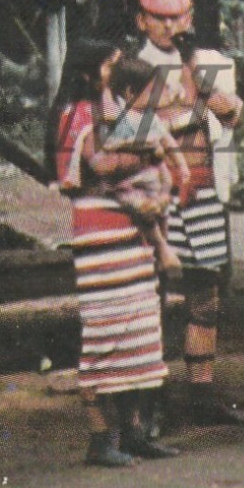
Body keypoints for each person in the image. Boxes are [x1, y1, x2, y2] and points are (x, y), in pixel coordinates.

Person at [48, 38, 180, 466]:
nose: (118, 72)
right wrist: (150, 158)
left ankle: (133, 431)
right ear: (90, 72)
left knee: (138, 334)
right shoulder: (79, 114)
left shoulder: (112, 113)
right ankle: (102, 437)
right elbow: (101, 166)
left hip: (130, 233)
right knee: (105, 337)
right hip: (100, 234)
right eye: (111, 65)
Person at [130, 0, 244, 426]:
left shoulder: (210, 62)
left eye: (177, 17)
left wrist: (209, 94)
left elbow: (235, 115)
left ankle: (201, 393)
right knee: (151, 294)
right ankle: (151, 399)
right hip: (153, 195)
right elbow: (135, 130)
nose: (169, 26)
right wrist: (186, 114)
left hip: (202, 189)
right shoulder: (131, 68)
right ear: (141, 21)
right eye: (159, 18)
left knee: (205, 293)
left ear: (191, 19)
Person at [101, 54, 194, 278]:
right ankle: (161, 248)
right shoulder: (120, 118)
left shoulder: (151, 119)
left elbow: (168, 143)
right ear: (130, 93)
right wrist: (143, 147)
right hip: (132, 182)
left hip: (154, 179)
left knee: (163, 209)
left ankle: (163, 249)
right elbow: (111, 146)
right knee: (143, 210)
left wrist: (182, 166)